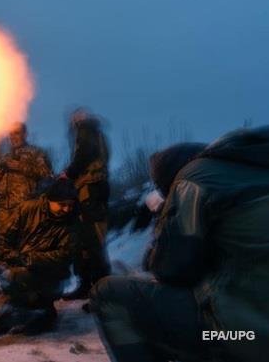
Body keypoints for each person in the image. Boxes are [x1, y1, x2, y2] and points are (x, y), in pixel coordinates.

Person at [90, 126, 269, 362]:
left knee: (108, 295)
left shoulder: (196, 176)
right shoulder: (252, 168)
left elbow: (171, 269)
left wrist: (165, 218)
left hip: (245, 335)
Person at [0, 178, 80, 334]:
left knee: (18, 277)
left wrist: (32, 259)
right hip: (20, 262)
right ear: (50, 200)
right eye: (62, 204)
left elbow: (65, 255)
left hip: (52, 272)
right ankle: (20, 306)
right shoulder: (27, 209)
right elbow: (5, 235)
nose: (66, 209)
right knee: (6, 275)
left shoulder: (71, 222)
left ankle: (44, 309)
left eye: (70, 205)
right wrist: (3, 259)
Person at [61, 107, 111, 299]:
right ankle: (87, 286)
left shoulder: (86, 131)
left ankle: (102, 292)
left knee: (93, 241)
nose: (73, 122)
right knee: (84, 240)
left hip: (91, 191)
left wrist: (69, 173)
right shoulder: (94, 132)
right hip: (90, 190)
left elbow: (83, 156)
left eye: (75, 118)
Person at [0, 122, 53, 262]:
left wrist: (20, 166)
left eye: (17, 133)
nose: (13, 137)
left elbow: (47, 174)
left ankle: (23, 278)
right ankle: (4, 277)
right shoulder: (3, 157)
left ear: (25, 134)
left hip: (24, 208)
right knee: (3, 245)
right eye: (11, 134)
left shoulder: (36, 153)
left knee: (24, 245)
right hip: (3, 211)